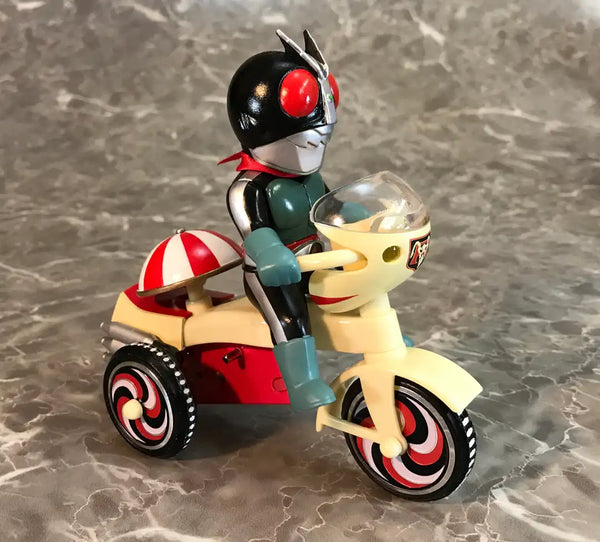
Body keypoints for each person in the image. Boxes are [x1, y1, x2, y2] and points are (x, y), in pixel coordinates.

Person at [221, 30, 339, 410]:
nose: (317, 140)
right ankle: (302, 382)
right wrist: (271, 253)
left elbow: (331, 207)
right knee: (291, 317)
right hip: (274, 273)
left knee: (357, 282)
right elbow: (254, 231)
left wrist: (356, 217)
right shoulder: (248, 187)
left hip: (315, 256)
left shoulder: (311, 179)